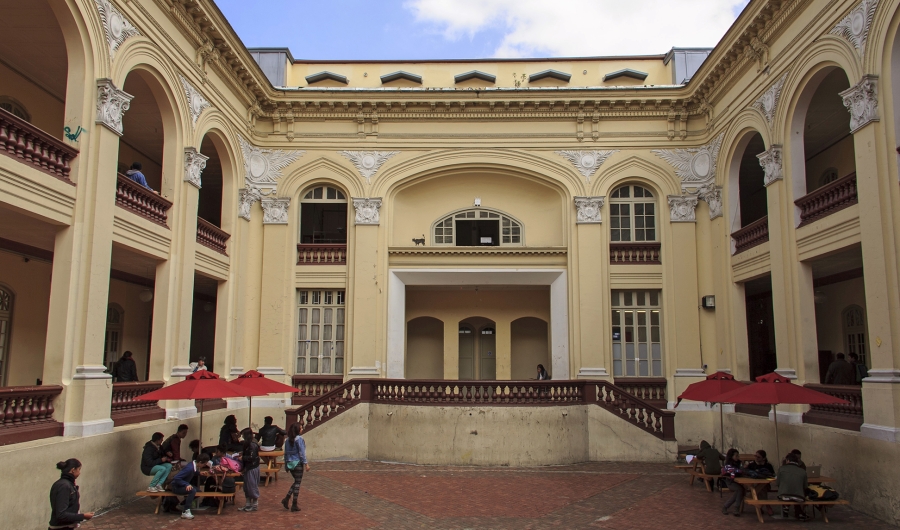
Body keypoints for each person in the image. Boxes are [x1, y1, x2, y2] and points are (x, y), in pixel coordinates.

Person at [49, 459, 94, 529]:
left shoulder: (67, 484)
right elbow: (61, 514)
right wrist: (83, 516)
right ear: (73, 470)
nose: (80, 472)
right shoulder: (64, 486)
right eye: (79, 469)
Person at [170, 453, 211, 520]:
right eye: (204, 464)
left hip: (181, 485)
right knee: (192, 491)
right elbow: (176, 478)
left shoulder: (193, 465)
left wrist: (199, 473)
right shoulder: (189, 468)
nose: (204, 466)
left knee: (198, 492)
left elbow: (194, 471)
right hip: (176, 487)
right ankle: (186, 511)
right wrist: (186, 484)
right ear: (200, 462)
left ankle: (183, 505)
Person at [281, 422, 310, 512]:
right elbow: (302, 453)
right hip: (297, 463)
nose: (302, 430)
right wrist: (306, 463)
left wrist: (286, 465)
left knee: (296, 482)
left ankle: (287, 499)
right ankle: (293, 503)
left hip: (290, 463)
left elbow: (285, 454)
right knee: (297, 483)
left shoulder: (287, 440)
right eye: (300, 428)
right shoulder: (299, 439)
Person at [773, 452, 809, 520]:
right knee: (795, 492)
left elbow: (777, 483)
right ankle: (799, 512)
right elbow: (805, 486)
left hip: (784, 496)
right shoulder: (803, 471)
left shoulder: (781, 469)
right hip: (799, 497)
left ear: (788, 460)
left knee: (786, 490)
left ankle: (785, 508)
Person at [745, 450, 775, 516]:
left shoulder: (768, 465)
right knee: (760, 488)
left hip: (765, 484)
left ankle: (760, 506)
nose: (756, 458)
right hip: (754, 484)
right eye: (755, 456)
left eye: (758, 457)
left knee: (761, 488)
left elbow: (772, 474)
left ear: (763, 458)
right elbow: (747, 473)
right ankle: (767, 505)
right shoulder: (752, 465)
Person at [238, 428, 261, 512]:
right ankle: (248, 504)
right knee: (246, 487)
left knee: (252, 486)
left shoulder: (252, 445)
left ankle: (254, 505)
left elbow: (252, 457)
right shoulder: (247, 445)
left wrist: (243, 457)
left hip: (252, 468)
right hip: (248, 468)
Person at [721, 448, 744, 516]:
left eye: (738, 456)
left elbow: (742, 470)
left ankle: (726, 506)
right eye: (736, 456)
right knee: (740, 490)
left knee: (741, 491)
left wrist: (742, 466)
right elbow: (729, 473)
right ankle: (736, 508)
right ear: (731, 456)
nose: (737, 457)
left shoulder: (739, 463)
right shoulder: (728, 464)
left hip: (739, 481)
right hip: (731, 482)